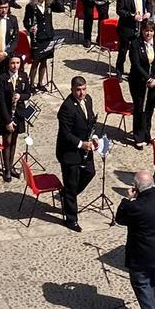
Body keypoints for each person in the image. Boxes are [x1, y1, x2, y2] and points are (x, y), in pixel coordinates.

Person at [116, 169, 155, 309]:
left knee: (143, 289)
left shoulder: (136, 207)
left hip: (141, 260)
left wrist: (127, 199)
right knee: (152, 286)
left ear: (136, 187)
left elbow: (120, 219)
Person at [56, 76, 97, 232]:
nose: (82, 93)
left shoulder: (88, 100)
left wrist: (94, 137)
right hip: (70, 152)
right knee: (72, 185)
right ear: (72, 90)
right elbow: (66, 134)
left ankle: (67, 196)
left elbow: (91, 122)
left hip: (86, 149)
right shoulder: (67, 108)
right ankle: (71, 218)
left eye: (84, 89)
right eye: (78, 90)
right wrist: (81, 144)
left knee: (90, 172)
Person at [128, 20, 155, 149]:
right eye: (146, 31)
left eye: (151, 31)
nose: (148, 33)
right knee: (139, 109)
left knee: (149, 109)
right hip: (138, 82)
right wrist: (148, 79)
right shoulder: (135, 44)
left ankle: (146, 134)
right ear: (142, 31)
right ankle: (138, 136)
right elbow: (136, 64)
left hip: (154, 83)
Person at [0, 55, 32, 183]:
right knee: (7, 141)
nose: (15, 66)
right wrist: (7, 121)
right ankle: (7, 170)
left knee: (14, 141)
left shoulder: (23, 76)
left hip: (18, 114)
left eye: (17, 63)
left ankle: (11, 166)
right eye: (12, 63)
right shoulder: (2, 78)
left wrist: (20, 96)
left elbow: (28, 93)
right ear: (8, 64)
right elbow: (0, 100)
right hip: (5, 115)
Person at [24, 0, 65, 91]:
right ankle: (31, 83)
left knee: (44, 61)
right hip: (38, 37)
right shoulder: (31, 6)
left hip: (48, 36)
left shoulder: (49, 4)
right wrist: (30, 28)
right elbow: (25, 21)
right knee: (36, 61)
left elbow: (61, 8)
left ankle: (40, 83)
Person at [115, 0, 152, 76]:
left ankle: (136, 71)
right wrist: (133, 16)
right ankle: (119, 71)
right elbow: (120, 11)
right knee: (123, 51)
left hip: (141, 26)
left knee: (138, 51)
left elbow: (148, 3)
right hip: (127, 27)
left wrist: (148, 12)